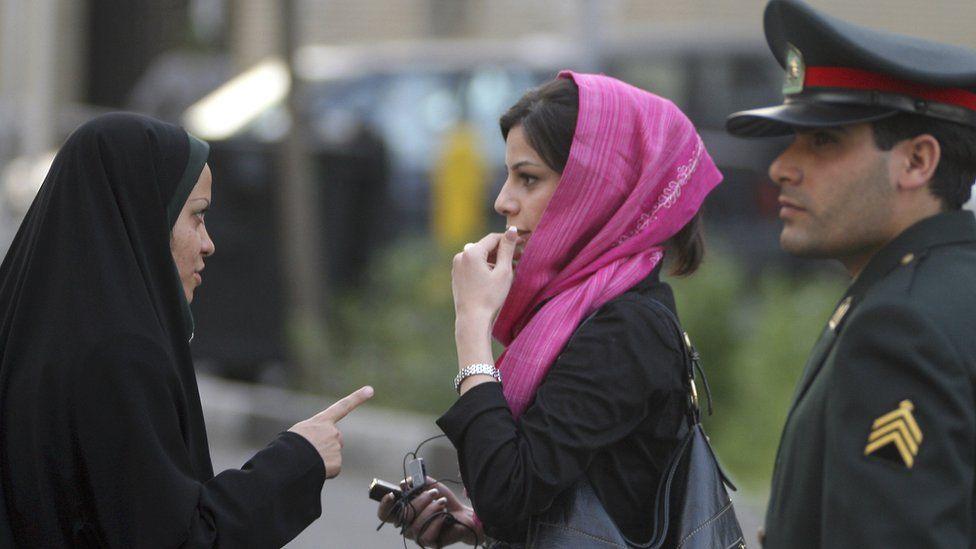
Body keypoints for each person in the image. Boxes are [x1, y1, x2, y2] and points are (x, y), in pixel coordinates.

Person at [377, 71, 724, 546]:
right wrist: (476, 525)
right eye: (508, 176)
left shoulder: (625, 327)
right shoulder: (581, 310)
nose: (503, 201)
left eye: (528, 178)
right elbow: (563, 489)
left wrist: (472, 324)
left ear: (595, 189)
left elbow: (507, 493)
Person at [0, 113, 373, 548]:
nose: (208, 243)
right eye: (196, 216)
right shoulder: (122, 355)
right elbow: (180, 538)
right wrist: (298, 459)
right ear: (144, 216)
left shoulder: (29, 326)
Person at [726, 1, 976, 547]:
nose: (781, 167)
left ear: (917, 162)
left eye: (823, 141)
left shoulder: (900, 327)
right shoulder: (945, 289)